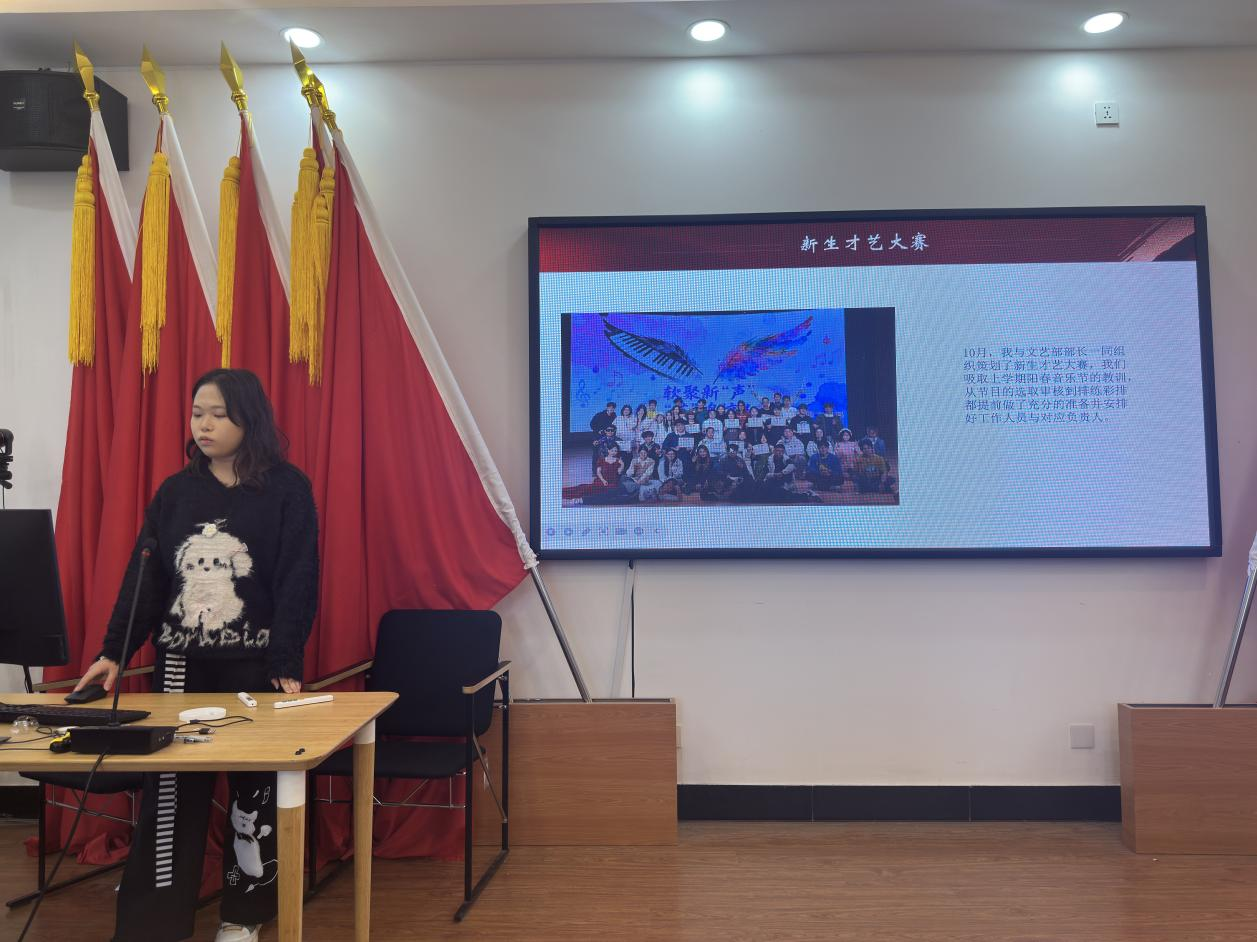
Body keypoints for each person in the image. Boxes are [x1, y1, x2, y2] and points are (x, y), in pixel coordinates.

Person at [73, 368, 318, 942]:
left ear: (249, 419)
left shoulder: (287, 488)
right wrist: (113, 651)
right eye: (197, 413)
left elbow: (298, 577)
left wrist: (285, 660)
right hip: (182, 665)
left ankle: (244, 915)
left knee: (254, 797)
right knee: (170, 794)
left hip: (256, 666)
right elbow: (146, 579)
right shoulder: (176, 493)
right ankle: (154, 921)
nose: (203, 425)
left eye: (218, 415)